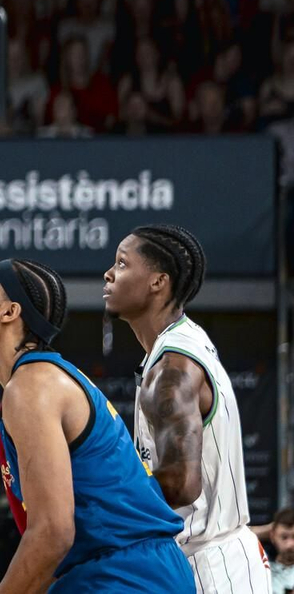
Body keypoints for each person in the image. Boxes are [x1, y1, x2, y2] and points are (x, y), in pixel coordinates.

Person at [0, 258, 193, 593]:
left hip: (126, 576)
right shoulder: (40, 379)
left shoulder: (32, 386)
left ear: (9, 313)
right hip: (121, 571)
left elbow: (53, 534)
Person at [104, 225, 271, 592]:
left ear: (157, 282)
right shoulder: (182, 342)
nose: (109, 274)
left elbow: (180, 484)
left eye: (121, 263)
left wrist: (101, 504)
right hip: (221, 559)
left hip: (209, 567)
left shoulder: (172, 368)